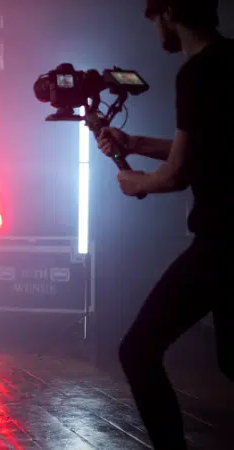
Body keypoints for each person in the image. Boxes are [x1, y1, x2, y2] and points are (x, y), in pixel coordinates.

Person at [96, 1, 233, 448]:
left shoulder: (195, 74)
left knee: (137, 351)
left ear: (170, 11)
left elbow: (176, 175)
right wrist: (132, 143)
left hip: (222, 243)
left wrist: (137, 183)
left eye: (154, 19)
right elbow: (196, 154)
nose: (156, 31)